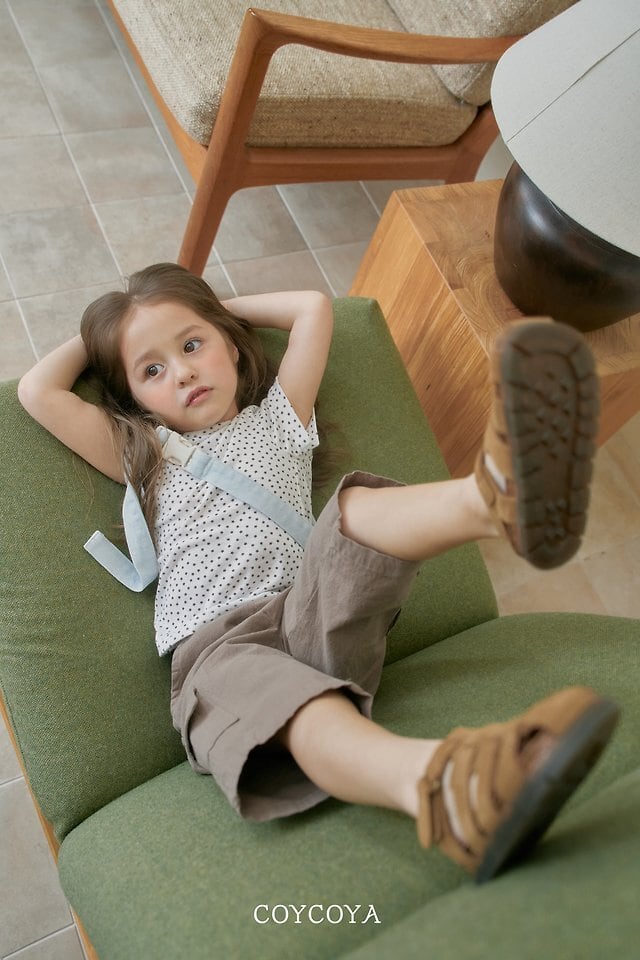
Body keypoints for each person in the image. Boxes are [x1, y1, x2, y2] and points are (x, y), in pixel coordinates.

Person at [18, 262, 618, 884]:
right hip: (219, 651)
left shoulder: (280, 419)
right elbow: (38, 392)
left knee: (352, 509)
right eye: (152, 371)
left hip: (312, 610)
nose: (183, 372)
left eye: (192, 345)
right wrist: (118, 331)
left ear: (230, 345)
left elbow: (312, 307)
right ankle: (446, 787)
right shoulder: (143, 455)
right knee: (293, 703)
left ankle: (496, 501)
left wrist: (213, 310)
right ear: (135, 400)